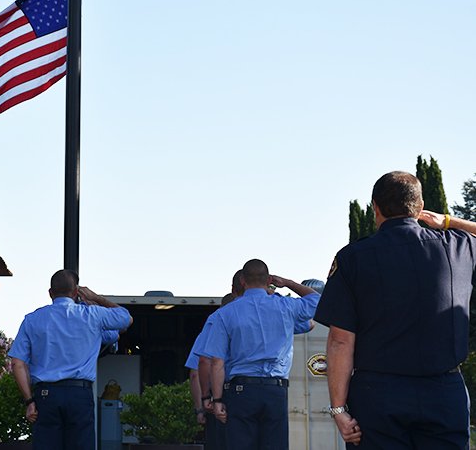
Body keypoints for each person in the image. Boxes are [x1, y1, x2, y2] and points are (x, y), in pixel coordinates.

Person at [314, 171, 476, 449]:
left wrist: (338, 410)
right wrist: (448, 221)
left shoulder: (353, 258)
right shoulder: (458, 248)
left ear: (375, 207)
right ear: (420, 206)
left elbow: (340, 340)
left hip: (378, 393)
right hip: (443, 390)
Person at [8, 269, 133, 450]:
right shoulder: (93, 315)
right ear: (76, 292)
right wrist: (96, 298)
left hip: (46, 396)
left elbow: (17, 363)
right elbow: (125, 319)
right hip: (79, 395)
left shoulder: (32, 320)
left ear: (50, 293)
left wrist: (29, 402)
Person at [202, 259, 320, 450]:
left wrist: (216, 400)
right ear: (269, 280)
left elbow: (216, 361)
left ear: (242, 281)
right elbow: (317, 301)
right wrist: (288, 283)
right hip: (276, 391)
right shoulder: (286, 307)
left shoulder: (225, 314)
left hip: (241, 391)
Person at [188, 270, 242, 450]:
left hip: (218, 399)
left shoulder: (215, 322)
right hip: (253, 395)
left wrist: (201, 407)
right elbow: (310, 323)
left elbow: (197, 371)